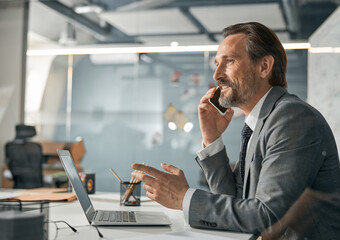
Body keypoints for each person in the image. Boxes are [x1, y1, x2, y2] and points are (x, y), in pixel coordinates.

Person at [131, 22, 340, 238]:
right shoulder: (261, 122)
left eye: (229, 61)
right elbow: (238, 203)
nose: (217, 75)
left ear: (264, 67)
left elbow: (266, 216)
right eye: (216, 63)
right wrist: (212, 139)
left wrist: (184, 198)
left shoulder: (292, 118)